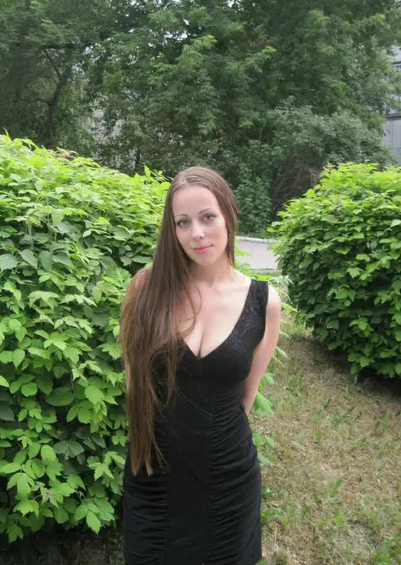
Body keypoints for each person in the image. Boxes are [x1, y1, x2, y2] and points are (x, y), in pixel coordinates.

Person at [120, 166, 282, 565]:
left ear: (229, 215)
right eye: (183, 222)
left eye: (208, 216)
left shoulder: (264, 303)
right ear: (172, 229)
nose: (197, 233)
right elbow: (134, 381)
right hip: (154, 479)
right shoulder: (146, 288)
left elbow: (245, 398)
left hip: (229, 485)